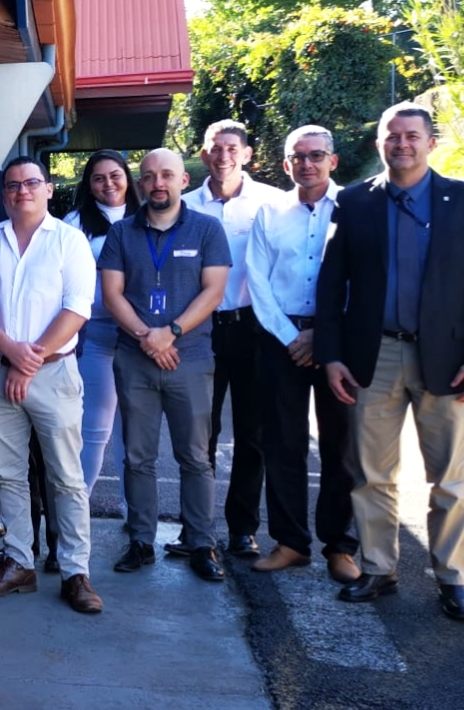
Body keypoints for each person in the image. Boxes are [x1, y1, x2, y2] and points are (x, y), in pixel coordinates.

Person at [316, 102, 464, 620]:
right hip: (372, 355)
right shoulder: (354, 201)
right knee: (371, 473)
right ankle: (379, 567)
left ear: (430, 142)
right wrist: (330, 355)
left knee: (450, 479)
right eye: (392, 136)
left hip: (447, 358)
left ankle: (453, 578)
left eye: (411, 136)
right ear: (379, 142)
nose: (401, 144)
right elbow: (331, 286)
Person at [0, 157, 103, 614]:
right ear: (3, 194)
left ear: (48, 189)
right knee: (6, 473)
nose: (21, 191)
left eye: (31, 183)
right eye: (12, 185)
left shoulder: (69, 240)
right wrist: (11, 351)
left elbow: (77, 308)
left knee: (66, 477)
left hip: (53, 374)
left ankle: (75, 572)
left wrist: (30, 361)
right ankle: (19, 562)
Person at [99, 149, 231, 583]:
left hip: (190, 358)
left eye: (167, 175)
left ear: (182, 181)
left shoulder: (207, 229)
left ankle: (201, 543)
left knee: (194, 456)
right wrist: (147, 337)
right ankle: (141, 540)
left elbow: (213, 292)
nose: (158, 183)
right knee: (138, 456)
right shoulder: (121, 232)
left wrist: (170, 332)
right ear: (141, 183)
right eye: (150, 176)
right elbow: (112, 294)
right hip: (134, 359)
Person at [245, 126, 359, 583]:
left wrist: (324, 336)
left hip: (341, 342)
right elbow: (257, 278)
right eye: (298, 156)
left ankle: (340, 546)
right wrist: (294, 336)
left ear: (333, 160)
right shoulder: (270, 211)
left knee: (341, 446)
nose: (306, 164)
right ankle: (291, 542)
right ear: (286, 163)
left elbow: (364, 279)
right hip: (281, 340)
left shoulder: (356, 208)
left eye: (316, 155)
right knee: (282, 443)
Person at [181, 120, 284, 558]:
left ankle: (242, 528)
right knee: (199, 434)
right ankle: (196, 528)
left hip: (253, 329)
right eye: (215, 148)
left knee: (252, 434)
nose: (223, 156)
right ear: (204, 154)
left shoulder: (272, 203)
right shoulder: (185, 206)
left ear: (246, 154)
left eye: (231, 148)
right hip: (200, 330)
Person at [62, 149, 140, 508]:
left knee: (134, 430)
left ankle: (133, 510)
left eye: (115, 175)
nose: (108, 184)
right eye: (98, 178)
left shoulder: (146, 216)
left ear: (127, 178)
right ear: (89, 185)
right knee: (96, 427)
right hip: (97, 333)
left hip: (141, 335)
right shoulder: (76, 222)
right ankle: (76, 510)